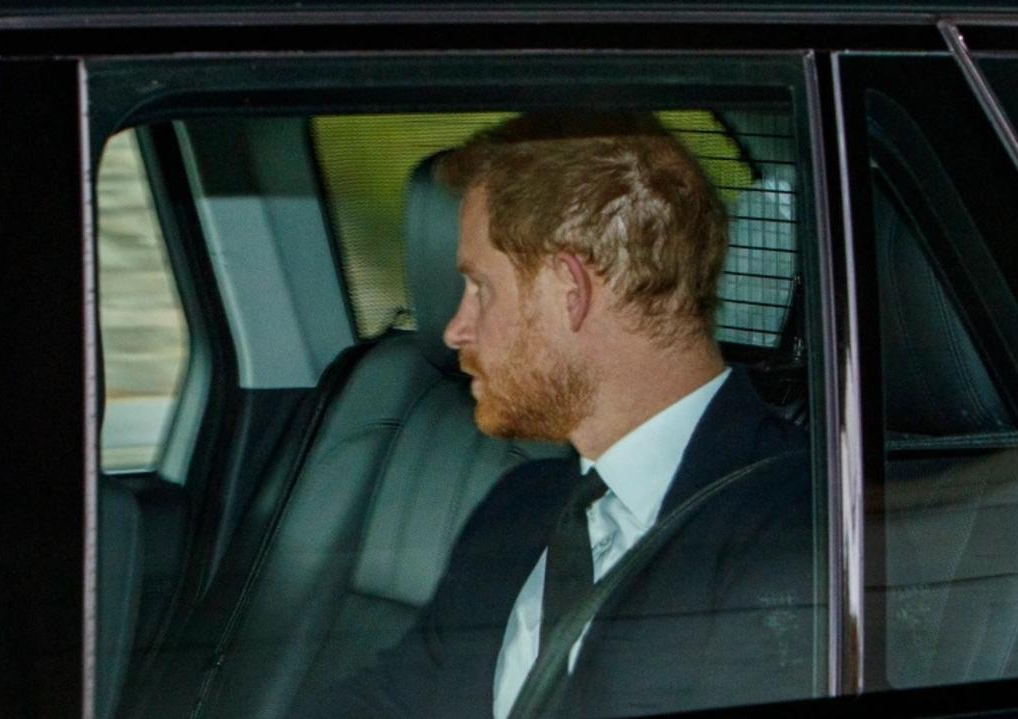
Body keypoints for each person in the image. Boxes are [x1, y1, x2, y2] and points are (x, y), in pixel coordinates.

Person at [291, 113, 814, 718]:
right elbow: (393, 700)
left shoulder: (798, 529)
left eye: (479, 288)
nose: (456, 328)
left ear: (570, 291)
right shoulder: (519, 507)